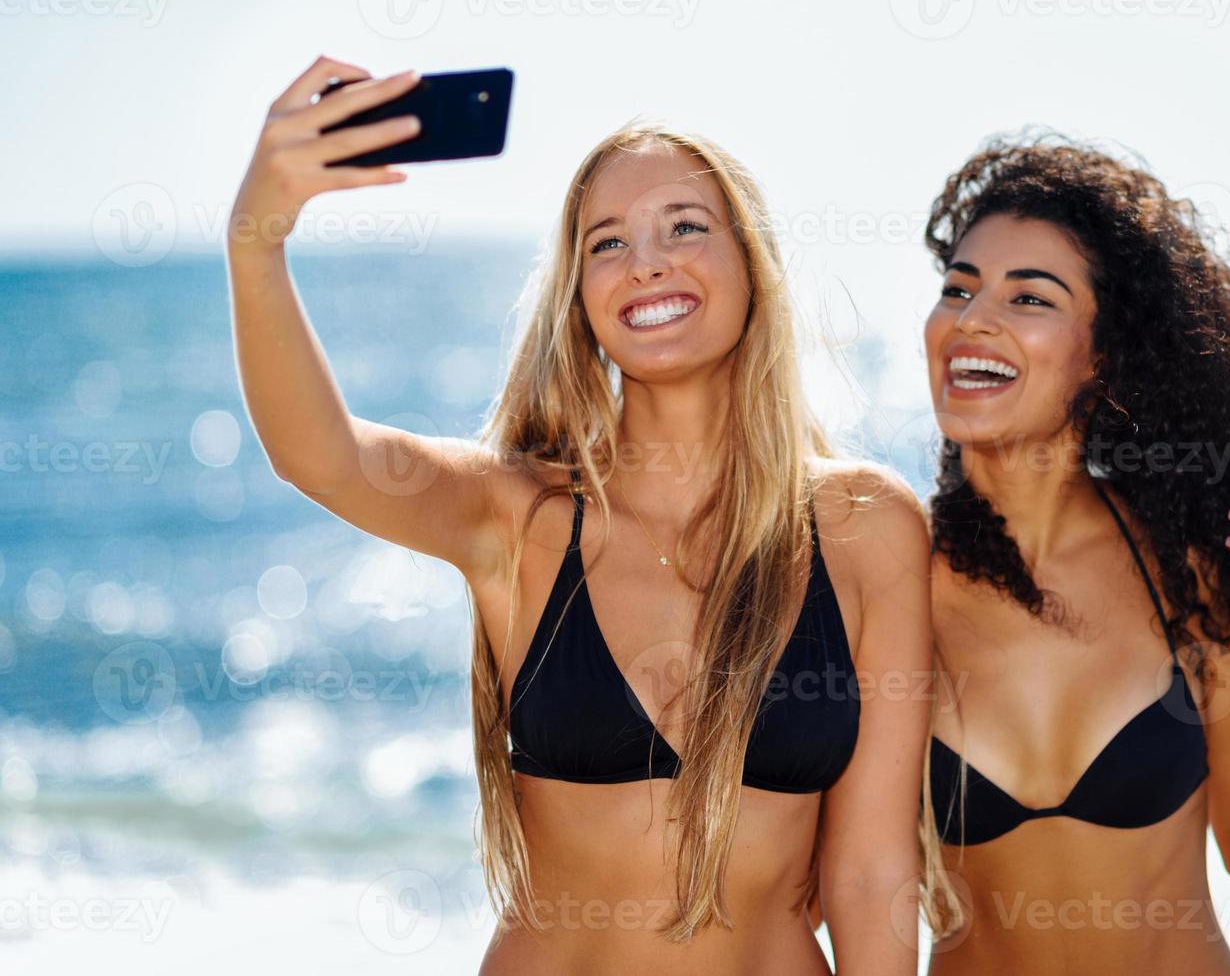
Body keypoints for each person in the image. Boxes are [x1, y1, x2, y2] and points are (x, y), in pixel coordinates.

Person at [227, 56, 932, 975]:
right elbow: (318, 455)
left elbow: (873, 876)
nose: (646, 262)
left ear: (751, 264)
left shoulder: (864, 526)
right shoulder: (518, 519)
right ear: (579, 300)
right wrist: (257, 239)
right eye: (607, 243)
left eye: (684, 226)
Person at [916, 133, 1230, 974]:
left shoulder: (1182, 568)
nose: (972, 319)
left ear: (1105, 356)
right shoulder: (888, 573)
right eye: (958, 288)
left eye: (1029, 299)